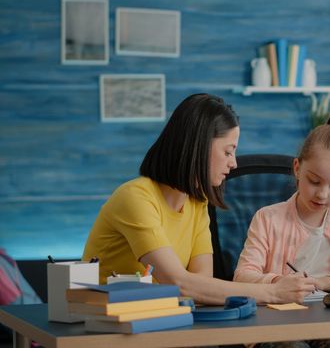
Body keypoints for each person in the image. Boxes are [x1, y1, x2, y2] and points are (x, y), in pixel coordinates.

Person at [82, 93, 315, 305]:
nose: (233, 163)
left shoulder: (196, 202)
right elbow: (179, 283)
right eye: (227, 151)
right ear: (199, 146)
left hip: (162, 324)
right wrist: (273, 292)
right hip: (110, 329)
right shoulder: (135, 198)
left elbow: (201, 286)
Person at [234, 114, 330, 348]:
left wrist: (323, 282)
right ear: (297, 168)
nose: (323, 194)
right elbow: (242, 277)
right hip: (278, 325)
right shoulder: (267, 218)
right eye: (314, 181)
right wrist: (280, 282)